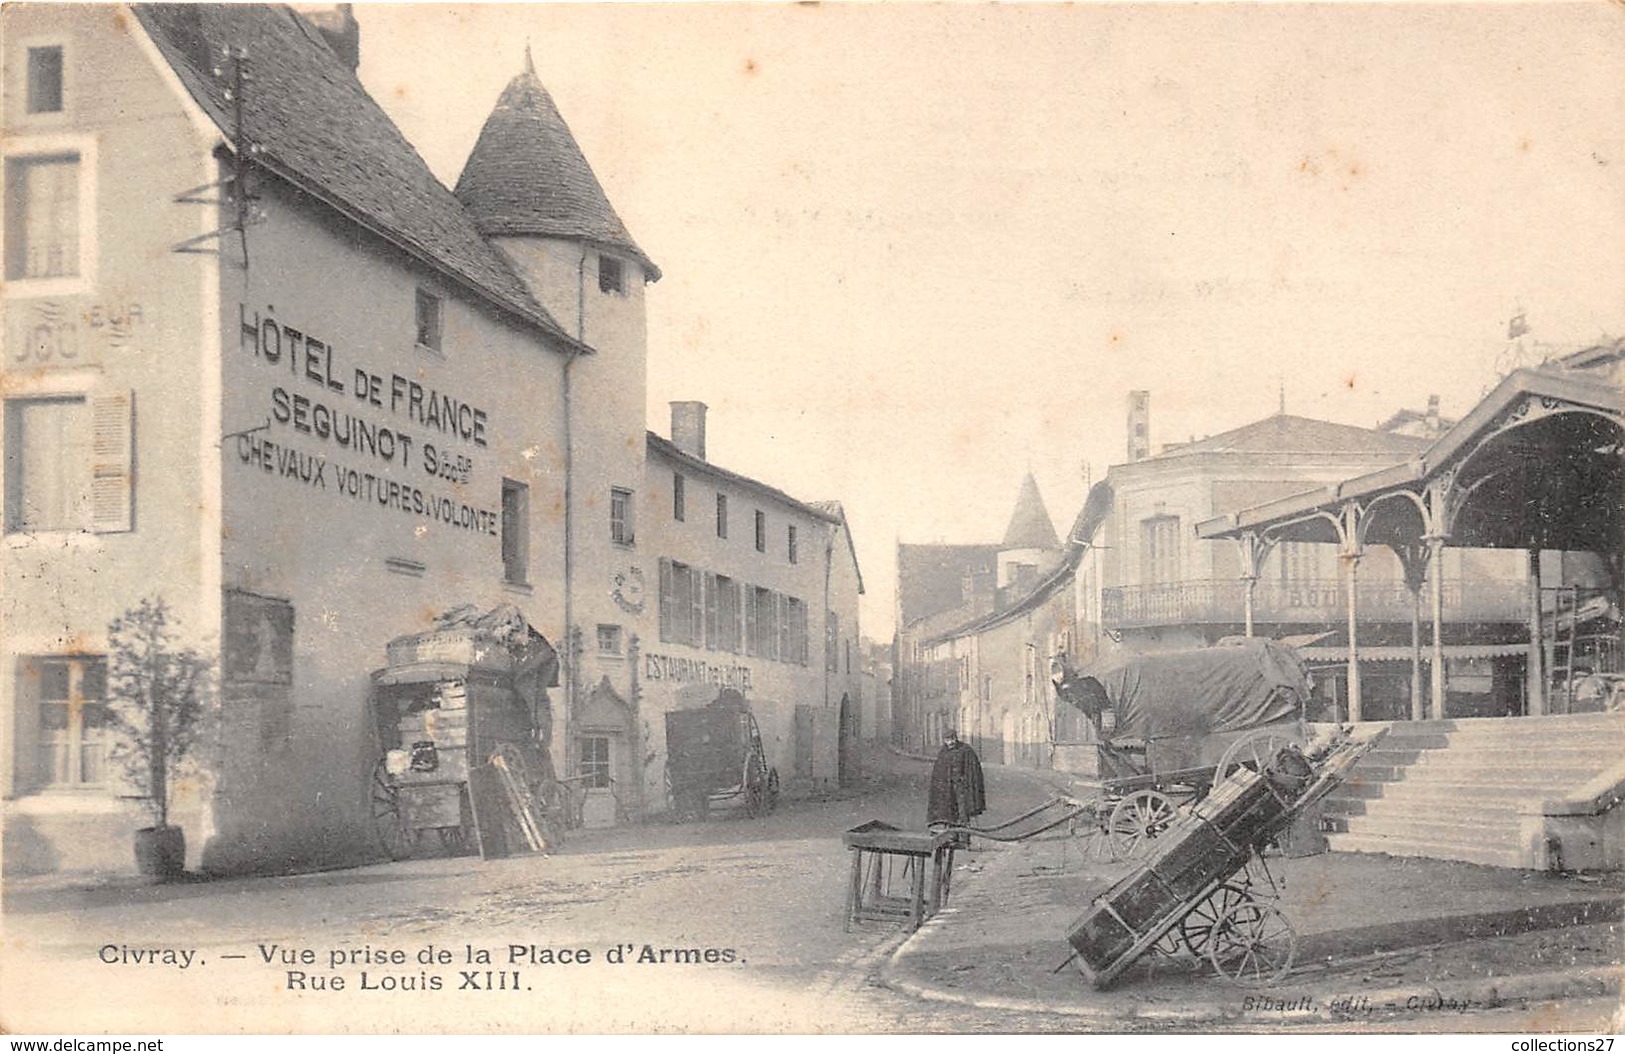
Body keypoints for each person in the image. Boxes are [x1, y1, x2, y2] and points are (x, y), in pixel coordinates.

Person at [927, 728, 986, 828]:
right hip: (948, 788)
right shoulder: (943, 752)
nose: (950, 742)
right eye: (947, 740)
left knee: (963, 813)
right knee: (949, 814)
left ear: (956, 738)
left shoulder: (965, 750)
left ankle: (964, 838)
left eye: (952, 739)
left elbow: (973, 770)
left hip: (962, 789)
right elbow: (939, 772)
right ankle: (951, 837)